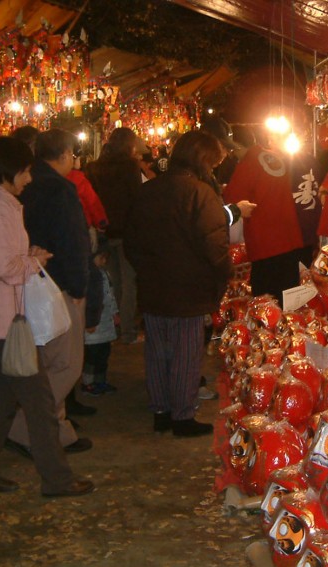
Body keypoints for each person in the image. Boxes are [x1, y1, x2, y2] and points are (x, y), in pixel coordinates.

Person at [0, 136, 93, 498]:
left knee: (0, 400)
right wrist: (33, 261)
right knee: (39, 402)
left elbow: (1, 258)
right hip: (6, 320)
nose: (29, 179)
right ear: (9, 171)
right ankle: (57, 479)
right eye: (24, 171)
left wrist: (28, 255)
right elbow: (6, 268)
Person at [124, 131, 231, 437]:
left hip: (153, 284)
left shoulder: (149, 190)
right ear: (204, 160)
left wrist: (146, 268)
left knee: (157, 350)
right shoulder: (199, 193)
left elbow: (131, 240)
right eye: (214, 163)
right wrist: (221, 276)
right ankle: (182, 415)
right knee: (185, 352)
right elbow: (214, 245)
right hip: (188, 288)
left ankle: (160, 410)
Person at [6, 129, 94, 455]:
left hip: (31, 280)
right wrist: (79, 286)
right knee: (66, 365)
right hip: (56, 284)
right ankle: (23, 428)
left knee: (46, 363)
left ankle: (57, 432)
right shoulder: (59, 189)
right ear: (65, 155)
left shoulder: (28, 186)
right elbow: (73, 241)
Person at [223, 133, 321, 299]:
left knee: (266, 302)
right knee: (290, 298)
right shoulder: (276, 157)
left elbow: (232, 196)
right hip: (292, 238)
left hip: (265, 244)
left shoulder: (249, 162)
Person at [84, 128, 144, 345]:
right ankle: (128, 331)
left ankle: (116, 327)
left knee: (114, 281)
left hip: (104, 230)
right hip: (127, 231)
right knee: (129, 283)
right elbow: (136, 198)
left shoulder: (95, 168)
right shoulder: (130, 167)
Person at [81, 238, 118, 396]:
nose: (104, 261)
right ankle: (87, 383)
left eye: (105, 258)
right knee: (91, 356)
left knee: (104, 354)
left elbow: (111, 296)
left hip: (105, 324)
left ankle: (100, 380)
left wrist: (114, 312)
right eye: (101, 257)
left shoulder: (104, 274)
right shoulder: (88, 275)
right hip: (93, 326)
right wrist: (89, 321)